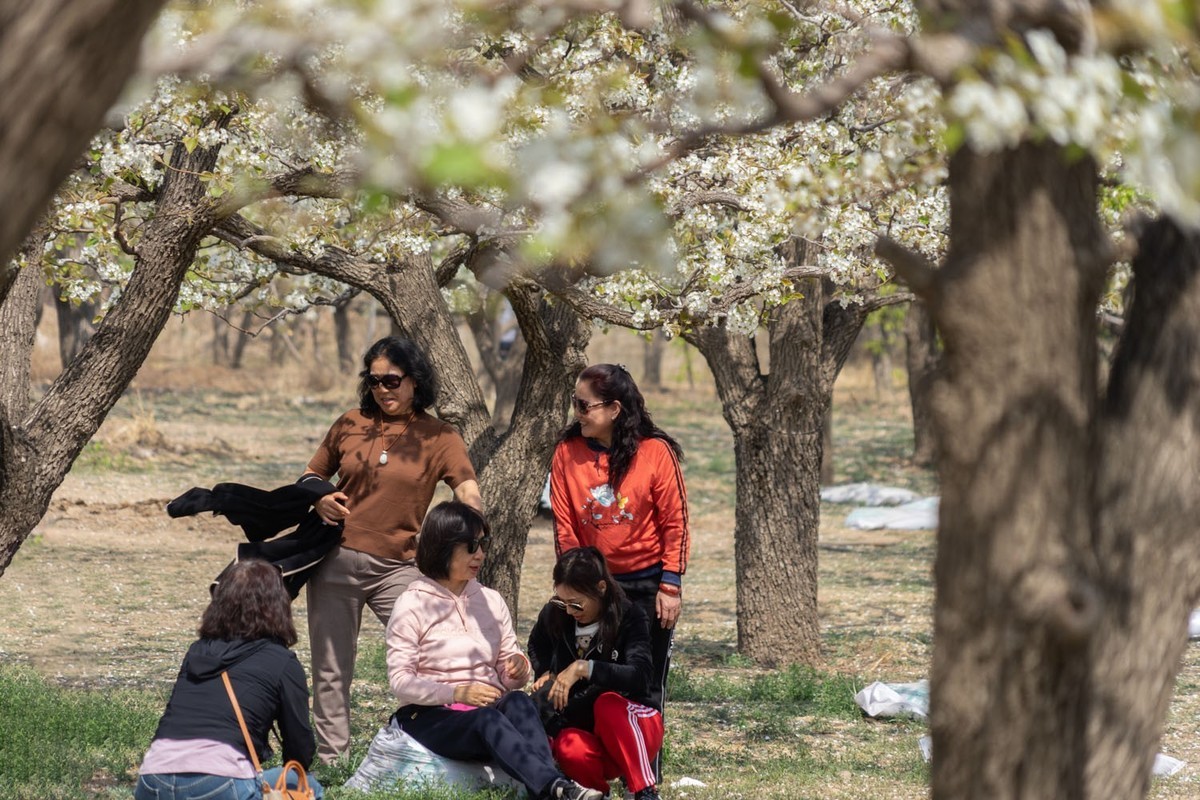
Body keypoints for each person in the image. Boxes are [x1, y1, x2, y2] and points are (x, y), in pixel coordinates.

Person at [301, 335, 482, 764]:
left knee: (432, 655)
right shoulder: (350, 422)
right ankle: (333, 762)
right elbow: (310, 475)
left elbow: (468, 489)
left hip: (400, 568)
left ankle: (433, 748)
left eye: (393, 380)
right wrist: (319, 497)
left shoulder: (439, 436)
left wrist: (468, 524)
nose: (384, 389)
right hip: (334, 560)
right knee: (331, 669)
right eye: (376, 380)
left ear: (415, 381)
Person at [385, 502, 603, 800]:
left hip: (489, 708)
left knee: (518, 702)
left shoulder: (490, 599)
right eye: (472, 546)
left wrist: (518, 668)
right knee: (488, 719)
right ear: (443, 547)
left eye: (484, 544)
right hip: (430, 715)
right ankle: (557, 786)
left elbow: (510, 669)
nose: (481, 555)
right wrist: (457, 693)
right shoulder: (412, 604)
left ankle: (551, 785)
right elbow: (400, 680)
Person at [549, 363, 689, 719]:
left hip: (647, 584)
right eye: (574, 403)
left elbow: (675, 522)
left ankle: (643, 769)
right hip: (595, 586)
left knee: (645, 679)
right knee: (591, 676)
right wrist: (575, 589)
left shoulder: (655, 452)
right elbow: (565, 528)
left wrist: (670, 584)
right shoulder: (567, 452)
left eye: (584, 405)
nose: (576, 413)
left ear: (614, 409)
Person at [134, 559, 323, 800]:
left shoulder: (197, 651)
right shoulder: (282, 661)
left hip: (154, 779)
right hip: (219, 782)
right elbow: (299, 744)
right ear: (278, 605)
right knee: (307, 786)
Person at [528, 547, 664, 800]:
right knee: (569, 744)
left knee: (607, 704)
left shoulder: (629, 615)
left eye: (576, 603)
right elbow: (537, 643)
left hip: (635, 725)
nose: (569, 610)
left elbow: (641, 676)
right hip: (588, 729)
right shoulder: (555, 613)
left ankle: (644, 790)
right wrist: (544, 671)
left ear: (601, 588)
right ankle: (596, 794)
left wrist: (584, 669)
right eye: (562, 601)